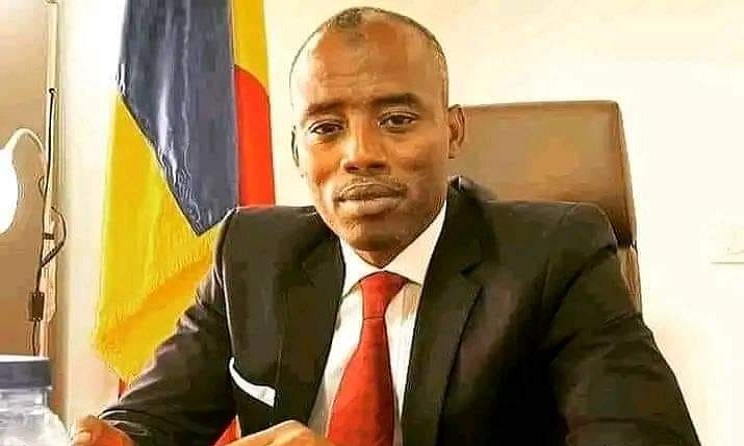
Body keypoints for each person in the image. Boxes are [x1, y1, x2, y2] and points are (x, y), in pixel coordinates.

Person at [71, 7, 700, 446]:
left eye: (396, 120)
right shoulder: (251, 256)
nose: (359, 154)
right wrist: (112, 439)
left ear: (453, 131)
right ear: (297, 152)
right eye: (326, 128)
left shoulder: (555, 256)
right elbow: (149, 423)